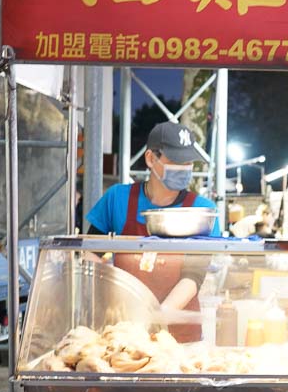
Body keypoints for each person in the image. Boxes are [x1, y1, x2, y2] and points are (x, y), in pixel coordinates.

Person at [85, 121, 220, 341]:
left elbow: (193, 276)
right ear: (150, 159)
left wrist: (156, 318)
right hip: (123, 330)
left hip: (180, 338)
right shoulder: (118, 198)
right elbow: (90, 256)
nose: (185, 169)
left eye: (189, 162)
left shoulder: (203, 211)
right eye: (177, 161)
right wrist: (100, 302)